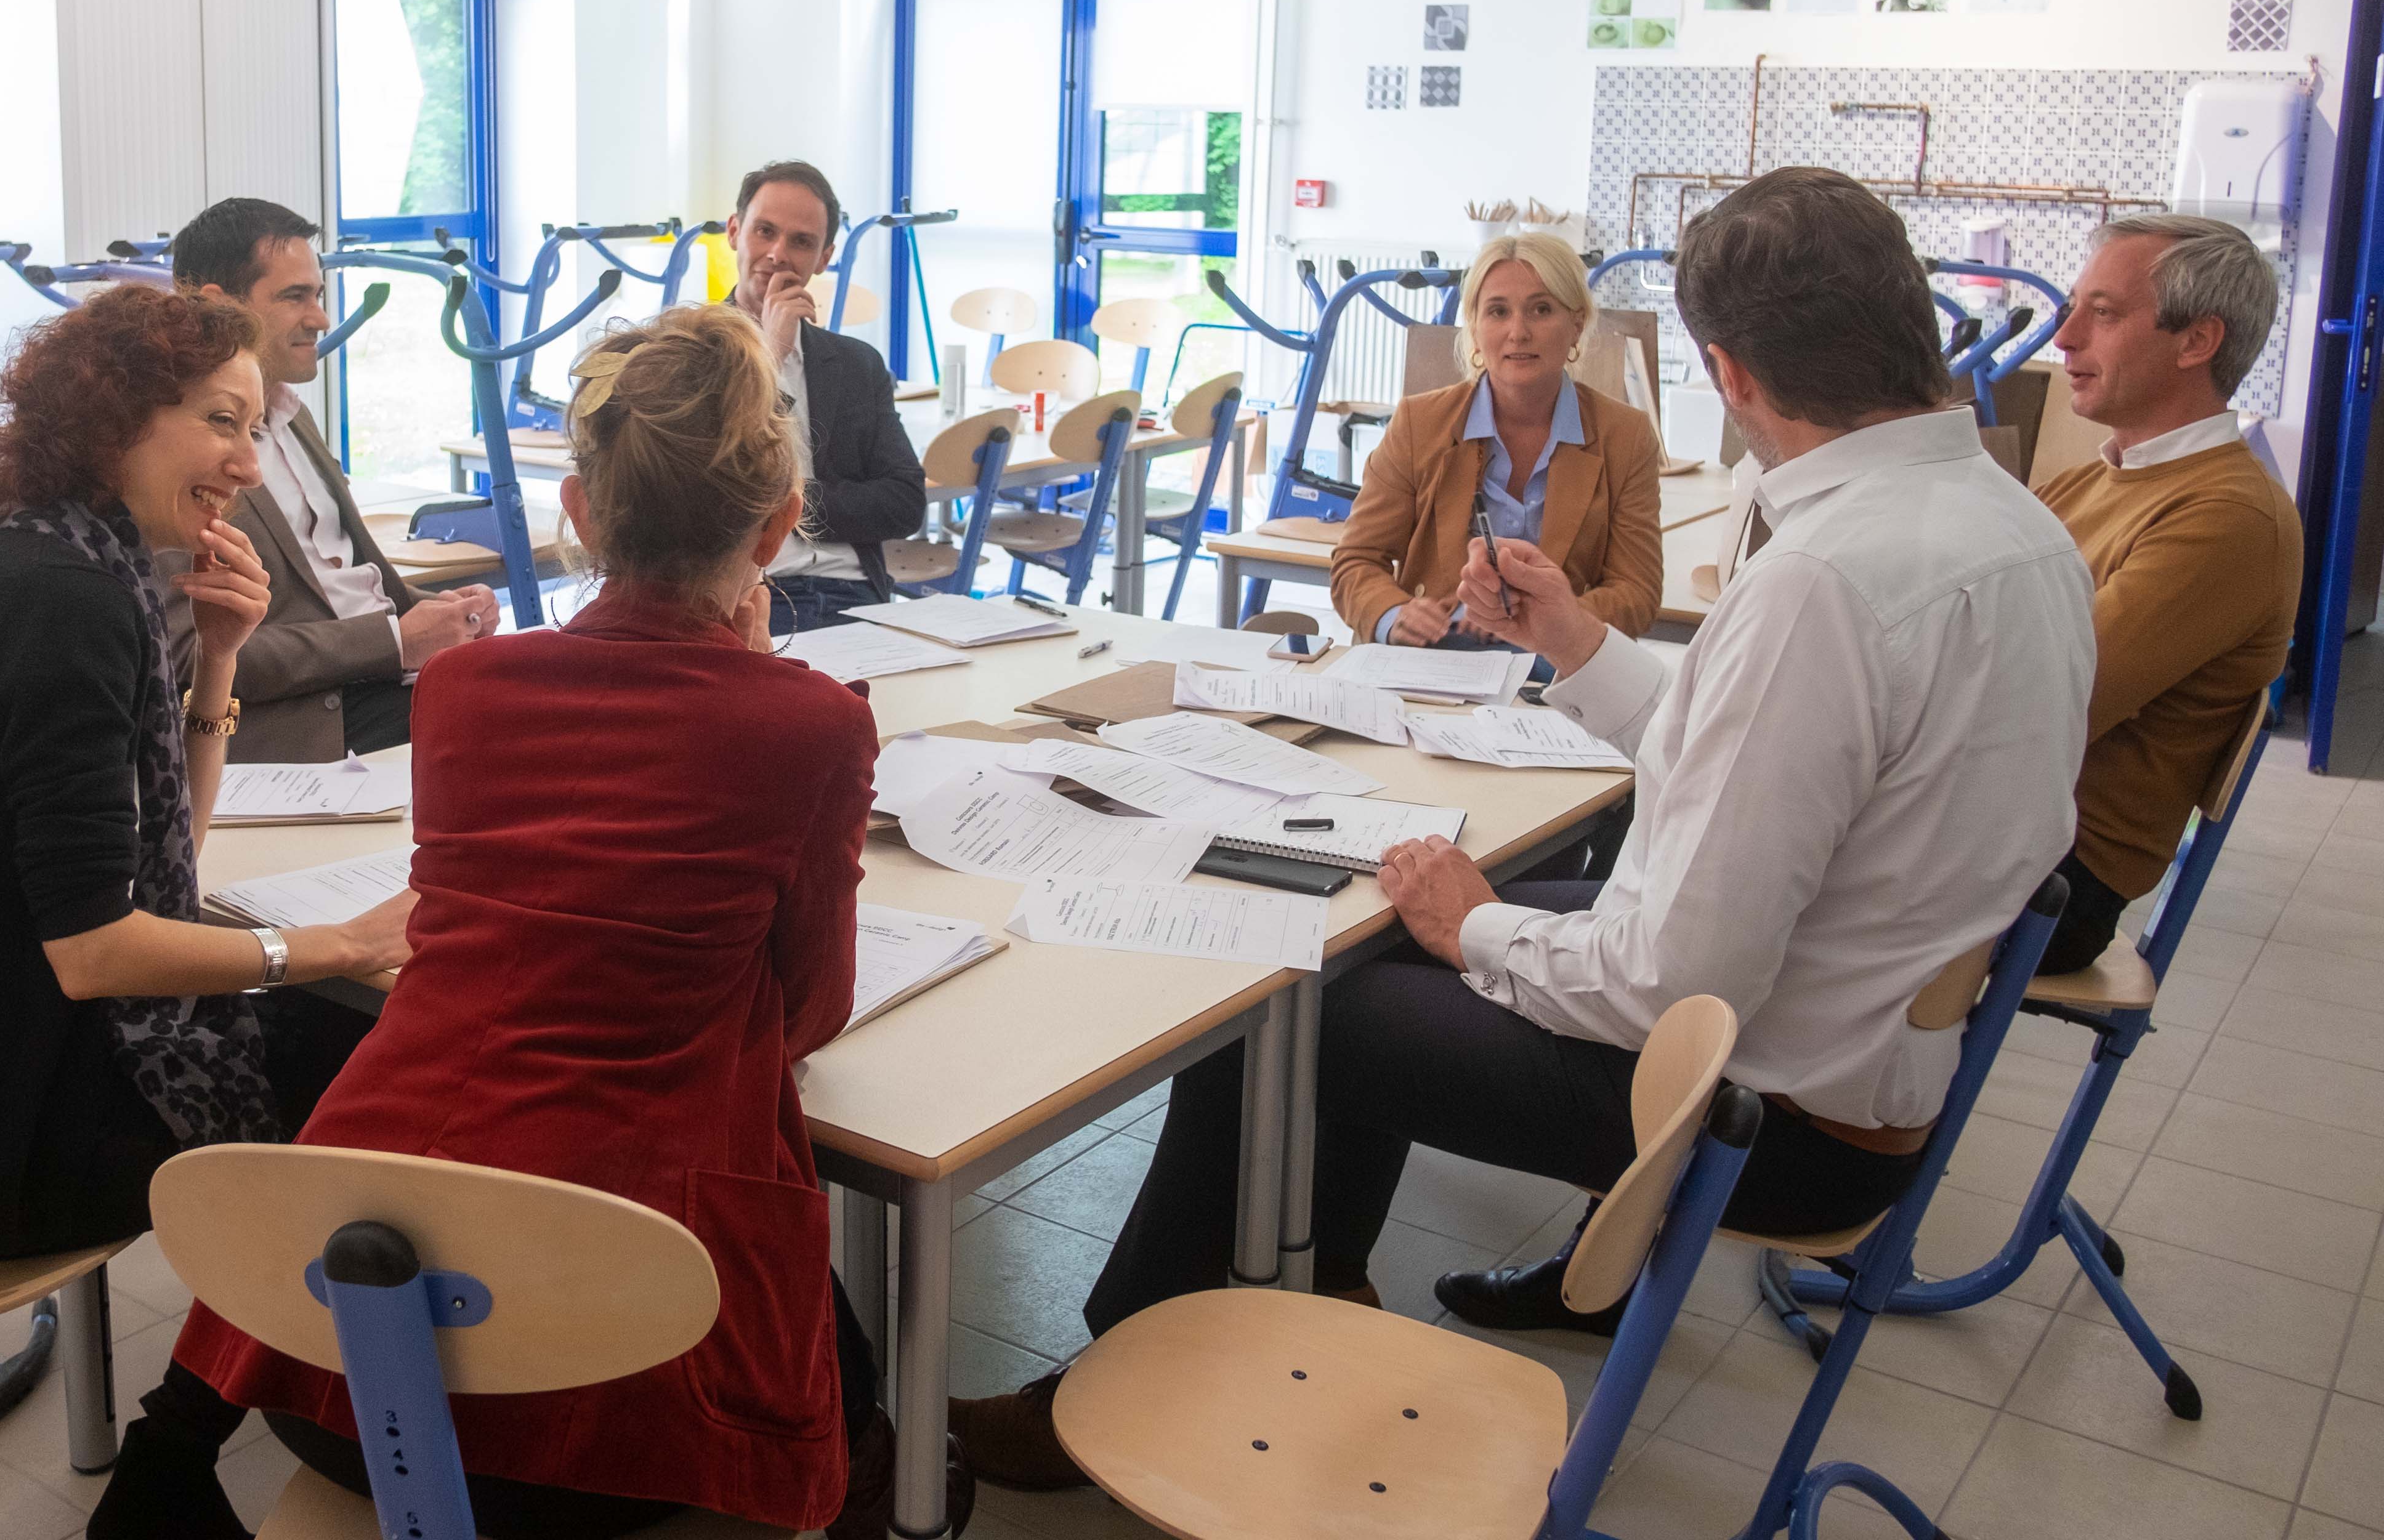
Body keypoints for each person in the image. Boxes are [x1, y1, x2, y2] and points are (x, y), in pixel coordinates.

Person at [951, 169, 2096, 1488]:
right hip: (1856, 1058)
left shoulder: (1825, 584)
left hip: (1751, 1103)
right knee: (1380, 939)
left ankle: (1117, 1385)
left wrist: (1474, 923)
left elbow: (1663, 981)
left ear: (1725, 371)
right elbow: (1768, 765)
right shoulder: (2020, 531)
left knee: (1296, 992)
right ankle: (1315, 1291)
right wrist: (1573, 641)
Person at [99, 305, 950, 1540]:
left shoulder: (463, 689)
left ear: (582, 517)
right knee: (846, 1390)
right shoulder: (810, 725)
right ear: (776, 530)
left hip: (330, 1347)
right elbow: (807, 1015)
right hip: (617, 1402)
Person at [0, 286, 408, 1263]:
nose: (248, 466)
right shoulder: (65, 605)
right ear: (112, 416)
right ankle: (266, 1390)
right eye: (220, 423)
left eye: (254, 430)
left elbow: (167, 862)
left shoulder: (45, 559)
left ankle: (236, 1387)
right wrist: (328, 945)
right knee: (390, 1062)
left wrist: (220, 656)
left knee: (333, 1040)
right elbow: (97, 951)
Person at [2031, 214, 2301, 973]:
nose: (2065, 337)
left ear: (2196, 342)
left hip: (2054, 879)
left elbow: (2045, 709)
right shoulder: (2094, 479)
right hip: (2000, 833)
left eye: (2104, 313)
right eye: (2071, 308)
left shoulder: (2228, 518)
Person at [170, 196, 499, 758]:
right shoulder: (175, 451)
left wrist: (451, 613)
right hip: (314, 718)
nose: (320, 318)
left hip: (381, 681)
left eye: (317, 295)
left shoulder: (295, 416)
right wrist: (396, 641)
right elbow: (188, 658)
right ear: (218, 308)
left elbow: (350, 589)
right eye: (295, 297)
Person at [1329, 234, 1663, 647]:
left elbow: (1638, 592)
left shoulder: (1625, 437)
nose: (1518, 332)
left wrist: (1547, 618)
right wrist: (1392, 614)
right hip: (1433, 660)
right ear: (1474, 326)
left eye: (1541, 310)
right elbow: (1355, 561)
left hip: (1553, 665)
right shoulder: (1419, 423)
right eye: (1498, 312)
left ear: (1576, 325)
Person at [724, 160, 926, 634]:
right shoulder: (687, 353)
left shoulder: (858, 365)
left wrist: (790, 507)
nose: (778, 254)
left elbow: (904, 503)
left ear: (825, 257)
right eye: (765, 231)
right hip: (743, 597)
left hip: (853, 594)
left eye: (801, 242)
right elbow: (706, 496)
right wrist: (768, 360)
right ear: (735, 231)